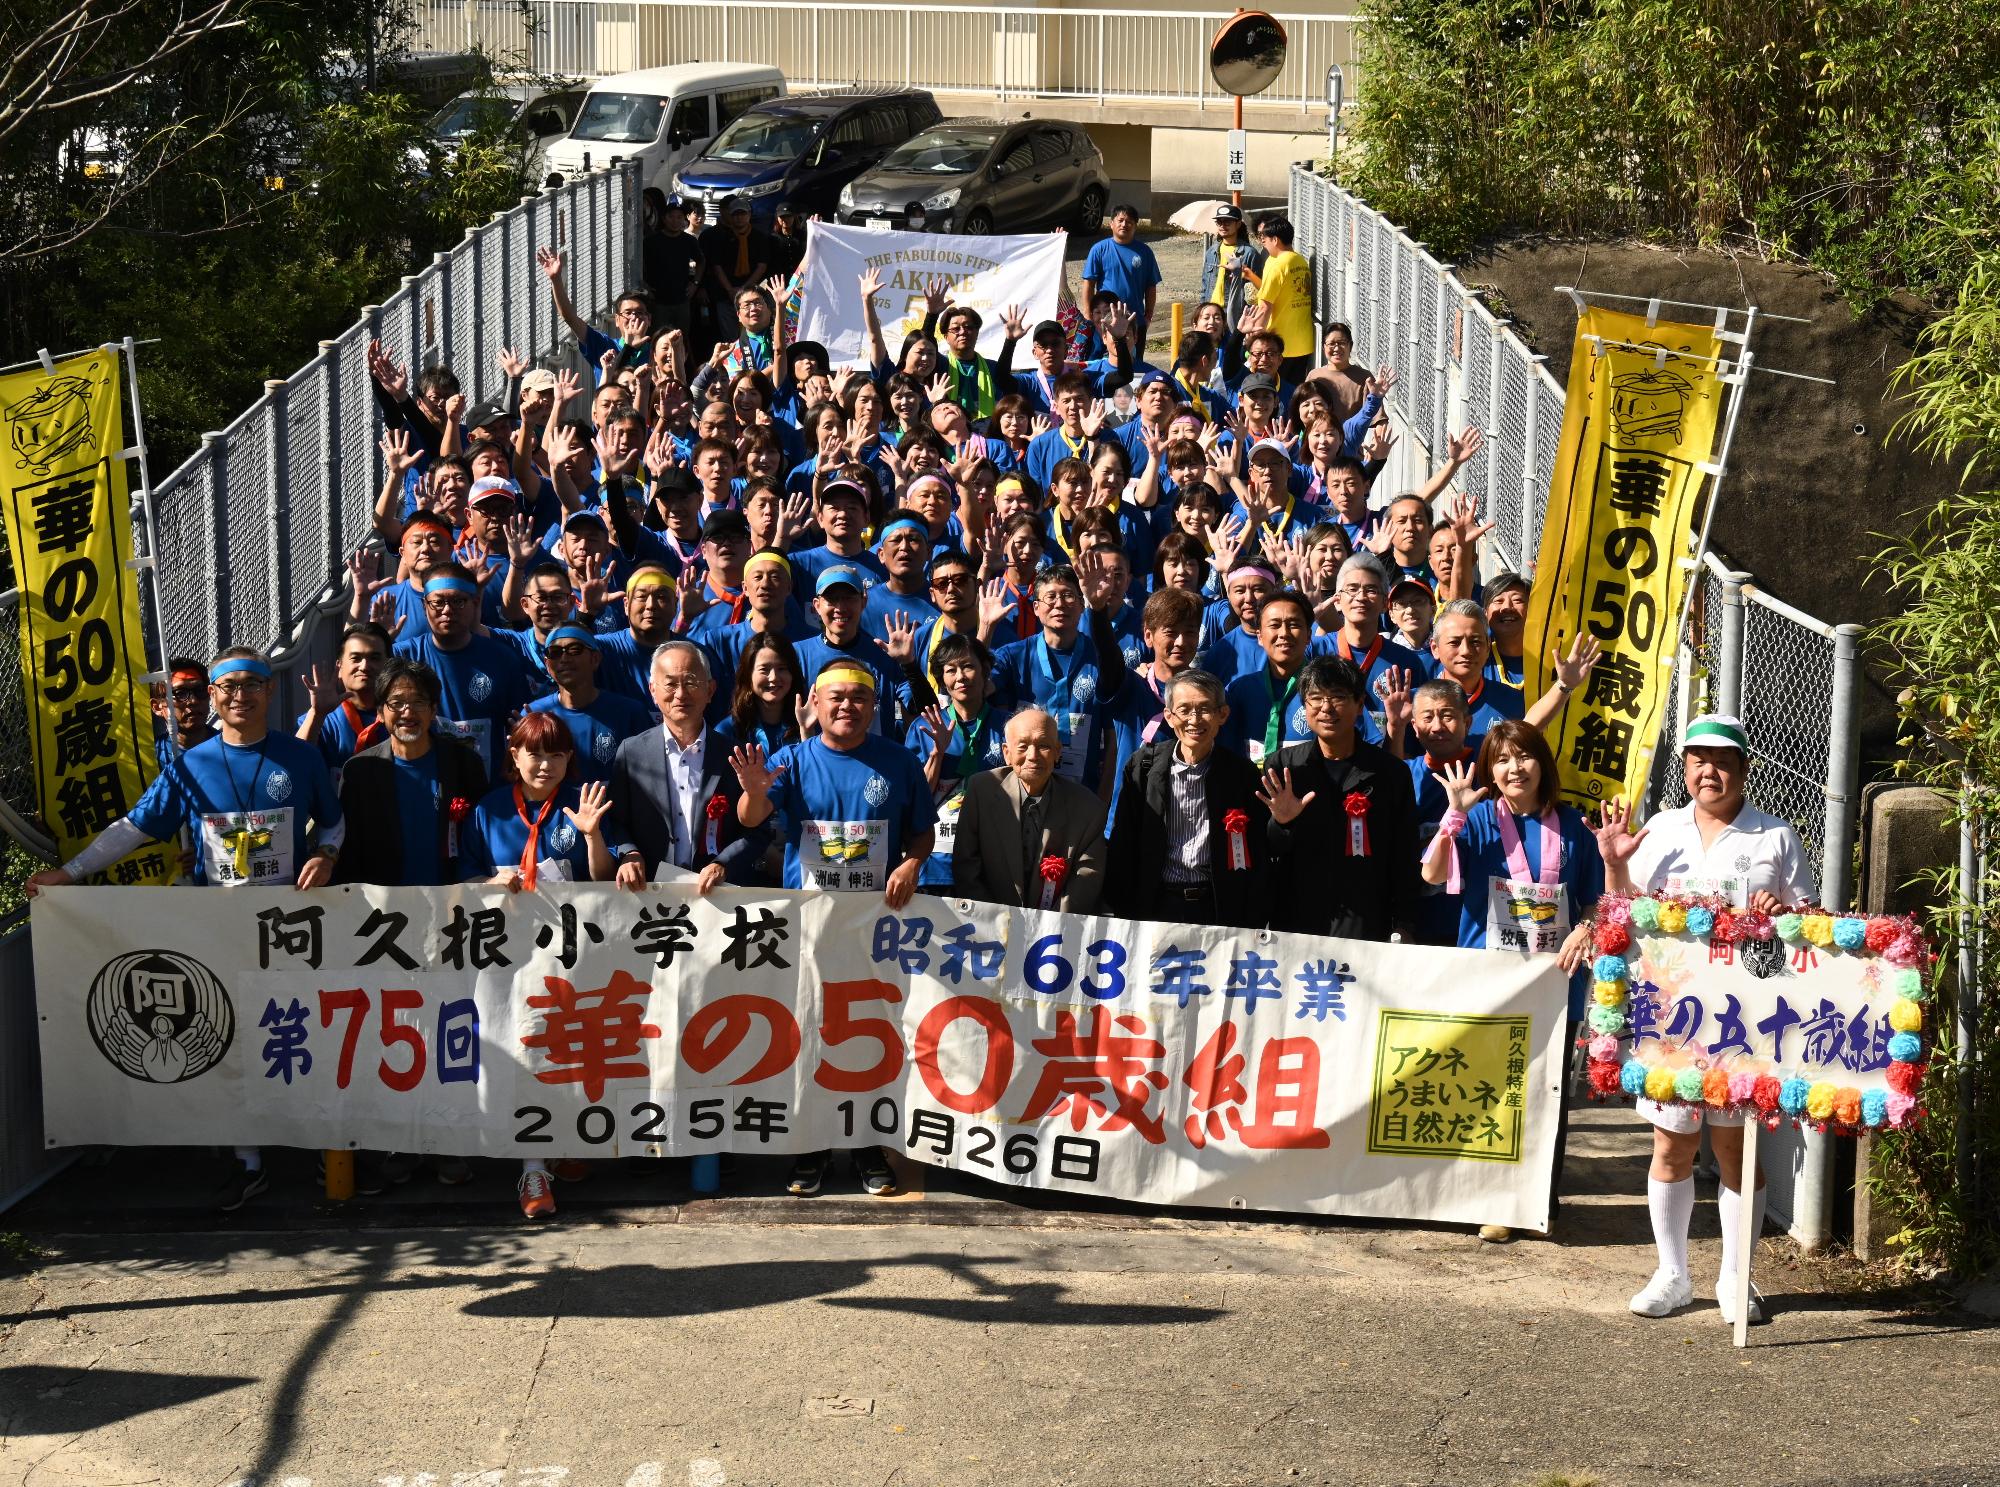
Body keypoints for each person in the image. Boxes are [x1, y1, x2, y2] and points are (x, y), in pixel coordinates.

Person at [24, 648, 343, 1212]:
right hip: (214, 926)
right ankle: (248, 1161)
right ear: (213, 697)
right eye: (227, 687)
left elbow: (335, 821)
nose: (239, 695)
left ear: (271, 692)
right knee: (230, 1038)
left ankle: (322, 1145)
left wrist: (326, 854)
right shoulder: (192, 765)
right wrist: (72, 873)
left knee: (299, 1031)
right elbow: (136, 827)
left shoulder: (300, 757)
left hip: (287, 926)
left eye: (251, 684)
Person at [1596, 714, 1817, 1326]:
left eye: (1721, 761)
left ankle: (1735, 1278)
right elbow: (1623, 910)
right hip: (1672, 1016)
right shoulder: (1662, 829)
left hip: (1745, 1020)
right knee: (1671, 1144)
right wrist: (1615, 864)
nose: (1708, 771)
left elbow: (1811, 932)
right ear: (1685, 767)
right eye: (1696, 759)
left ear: (1746, 770)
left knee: (1735, 1147)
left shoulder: (1774, 837)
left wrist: (1779, 915)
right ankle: (1672, 1274)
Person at [732, 659, 936, 1198]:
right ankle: (812, 1145)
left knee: (871, 1034)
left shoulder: (899, 762)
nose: (847, 706)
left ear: (873, 706)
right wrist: (753, 790)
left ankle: (869, 1145)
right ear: (815, 705)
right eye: (836, 697)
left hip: (876, 931)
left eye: (858, 698)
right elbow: (751, 819)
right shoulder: (793, 759)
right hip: (810, 930)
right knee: (811, 1034)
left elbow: (922, 833)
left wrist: (912, 864)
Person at [1420, 718, 1603, 1244]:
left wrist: (1586, 929)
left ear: (1542, 763)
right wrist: (1452, 817)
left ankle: (1539, 1199)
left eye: (1522, 756)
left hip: (1553, 979)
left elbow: (1592, 898)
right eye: (1501, 760)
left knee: (1546, 1091)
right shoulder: (1476, 820)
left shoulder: (1574, 827)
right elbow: (1432, 875)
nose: (1513, 767)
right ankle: (1489, 1198)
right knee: (1487, 1088)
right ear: (1491, 772)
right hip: (1491, 979)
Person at [461, 710, 629, 1219]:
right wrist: (492, 885)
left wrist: (594, 835)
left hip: (573, 954)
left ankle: (563, 1144)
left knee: (570, 1047)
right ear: (513, 755)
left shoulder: (582, 803)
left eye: (556, 754)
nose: (544, 764)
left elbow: (604, 880)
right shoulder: (486, 811)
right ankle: (532, 1167)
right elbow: (464, 881)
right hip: (510, 960)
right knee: (524, 1052)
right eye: (534, 752)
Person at [1258, 655, 1419, 939]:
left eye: (1338, 697)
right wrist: (1282, 823)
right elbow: (1266, 850)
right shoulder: (1284, 768)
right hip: (1297, 918)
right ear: (1304, 707)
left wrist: (1404, 921)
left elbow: (1404, 853)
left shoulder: (1391, 773)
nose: (1326, 708)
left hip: (1367, 917)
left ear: (1359, 705)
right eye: (1315, 698)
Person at [1105, 668, 1267, 928]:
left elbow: (1257, 852)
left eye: (1204, 709)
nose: (1194, 719)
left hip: (1218, 909)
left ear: (1222, 715)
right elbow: (1124, 844)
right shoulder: (1143, 767)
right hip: (1156, 907)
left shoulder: (1241, 775)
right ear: (1169, 716)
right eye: (1184, 710)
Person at [605, 640, 764, 890]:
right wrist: (629, 853)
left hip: (716, 896)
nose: (680, 694)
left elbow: (758, 830)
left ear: (710, 690)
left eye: (691, 682)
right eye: (670, 683)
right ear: (653, 690)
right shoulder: (631, 752)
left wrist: (724, 863)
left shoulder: (736, 755)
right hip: (652, 896)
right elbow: (616, 821)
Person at [390, 562, 540, 773]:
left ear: (475, 602)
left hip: (488, 787)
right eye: (438, 602)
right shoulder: (403, 656)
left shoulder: (503, 659)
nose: (447, 610)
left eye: (458, 601)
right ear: (425, 607)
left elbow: (521, 728)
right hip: (426, 781)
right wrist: (379, 641)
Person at [953, 708, 1108, 911]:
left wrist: (1046, 929)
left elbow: (1085, 880)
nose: (1033, 756)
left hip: (1054, 932)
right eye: (1023, 746)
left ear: (1057, 752)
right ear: (1006, 753)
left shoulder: (1088, 808)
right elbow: (966, 867)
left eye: (1043, 746)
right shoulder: (981, 791)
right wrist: (993, 921)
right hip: (988, 925)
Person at [906, 632, 1010, 890]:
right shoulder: (925, 726)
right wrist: (937, 753)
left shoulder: (1008, 725)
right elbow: (916, 799)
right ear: (941, 679)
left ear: (985, 671)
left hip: (993, 857)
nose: (960, 676)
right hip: (936, 860)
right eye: (950, 670)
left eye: (968, 666)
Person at [525, 625, 654, 784]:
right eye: (555, 652)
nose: (564, 658)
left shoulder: (630, 714)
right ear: (547, 664)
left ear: (595, 659)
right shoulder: (534, 715)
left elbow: (650, 778)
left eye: (575, 649)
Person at [1081, 204, 1161, 342]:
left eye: (1129, 222)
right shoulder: (1099, 249)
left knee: (1133, 362)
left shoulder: (1145, 252)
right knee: (1105, 361)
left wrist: (1148, 316)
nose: (1124, 224)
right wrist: (1089, 317)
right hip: (1105, 322)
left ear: (1135, 226)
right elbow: (1088, 284)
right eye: (1121, 220)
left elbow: (1151, 286)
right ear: (1111, 224)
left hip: (1135, 321)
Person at [1251, 218, 1314, 382]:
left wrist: (1256, 339)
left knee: (1274, 394)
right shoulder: (1300, 261)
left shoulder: (1279, 265)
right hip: (1303, 342)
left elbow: (1265, 307)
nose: (1263, 243)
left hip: (1280, 346)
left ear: (1275, 240)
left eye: (1265, 239)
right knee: (1293, 393)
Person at [1200, 203, 1260, 329]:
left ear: (1238, 224)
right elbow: (1205, 286)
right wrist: (1201, 311)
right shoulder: (1211, 252)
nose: (1222, 225)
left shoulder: (1249, 253)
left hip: (1235, 315)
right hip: (1212, 314)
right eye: (1219, 222)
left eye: (1227, 222)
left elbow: (1256, 291)